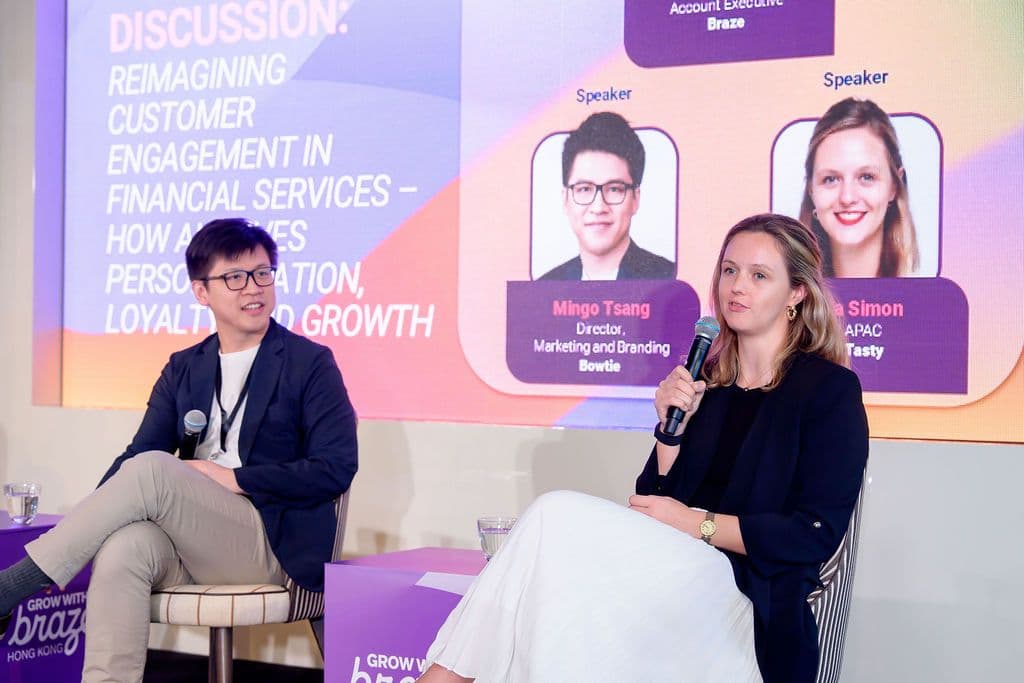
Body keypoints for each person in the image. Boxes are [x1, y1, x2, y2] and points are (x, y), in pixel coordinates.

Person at [419, 214, 868, 682]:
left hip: (751, 600)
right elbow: (651, 502)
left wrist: (698, 523)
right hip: (673, 586)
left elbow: (812, 533)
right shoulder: (706, 387)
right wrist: (671, 433)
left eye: (759, 275)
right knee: (553, 576)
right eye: (730, 270)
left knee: (553, 516)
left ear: (796, 293)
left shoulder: (828, 390)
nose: (737, 286)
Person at [0, 218, 358, 682]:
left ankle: (13, 586)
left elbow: (336, 468)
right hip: (198, 543)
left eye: (263, 272)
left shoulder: (309, 363)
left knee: (152, 471)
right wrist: (100, 519)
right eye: (235, 277)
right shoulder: (185, 367)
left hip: (271, 541)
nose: (254, 288)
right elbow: (137, 454)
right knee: (125, 547)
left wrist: (235, 479)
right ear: (201, 292)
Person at [539, 111, 675, 281]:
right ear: (565, 199)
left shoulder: (669, 280)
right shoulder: (544, 287)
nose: (598, 207)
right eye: (584, 189)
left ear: (635, 199)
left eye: (614, 189)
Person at [799, 97, 920, 277]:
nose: (847, 198)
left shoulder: (927, 294)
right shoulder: (784, 299)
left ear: (894, 186)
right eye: (831, 179)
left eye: (866, 177)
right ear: (811, 190)